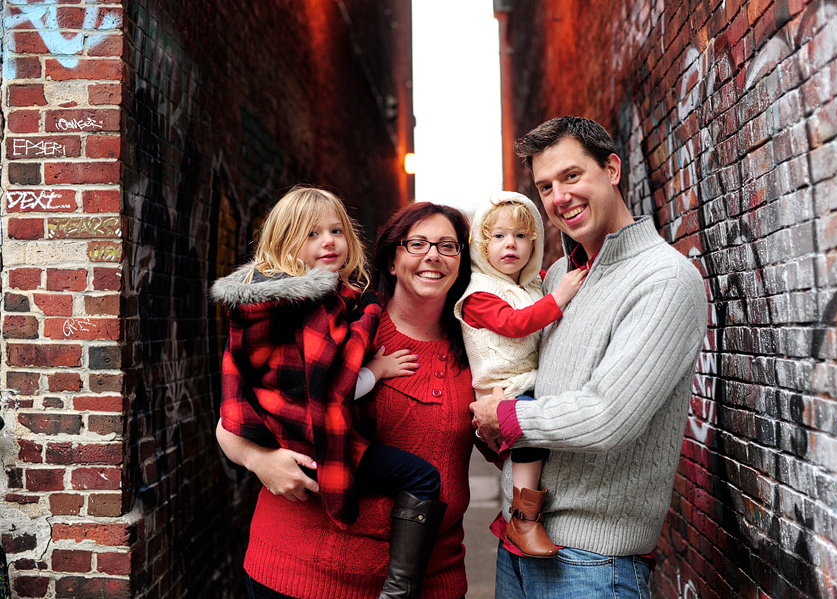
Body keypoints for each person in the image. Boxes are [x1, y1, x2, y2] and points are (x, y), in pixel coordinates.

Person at [470, 116, 708, 598]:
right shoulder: (559, 274)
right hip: (516, 545)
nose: (559, 197)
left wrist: (507, 415)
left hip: (592, 564)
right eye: (546, 186)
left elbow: (608, 416)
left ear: (613, 169)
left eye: (572, 176)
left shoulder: (664, 279)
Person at [216, 201, 482, 599]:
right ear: (392, 261)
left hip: (429, 582)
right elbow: (232, 420)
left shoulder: (479, 347)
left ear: (462, 261)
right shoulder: (349, 323)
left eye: (448, 245)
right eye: (417, 244)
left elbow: (507, 442)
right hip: (301, 575)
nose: (433, 255)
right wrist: (261, 461)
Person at [453, 192, 586, 558]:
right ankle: (523, 518)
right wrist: (559, 297)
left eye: (521, 236)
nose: (509, 244)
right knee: (529, 429)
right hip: (501, 391)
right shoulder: (478, 293)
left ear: (534, 243)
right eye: (497, 236)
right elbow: (514, 324)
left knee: (539, 436)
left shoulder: (530, 285)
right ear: (482, 244)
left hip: (527, 381)